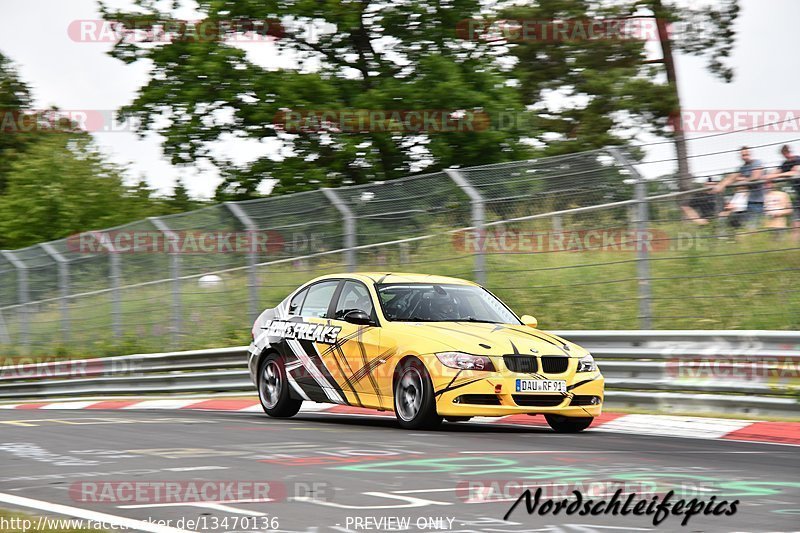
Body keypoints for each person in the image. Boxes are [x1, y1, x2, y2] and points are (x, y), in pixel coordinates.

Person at [713, 147, 764, 225]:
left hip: (757, 201)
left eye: (746, 154)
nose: (745, 157)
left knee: (755, 227)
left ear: (750, 154)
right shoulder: (742, 168)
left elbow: (756, 177)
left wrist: (741, 179)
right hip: (746, 202)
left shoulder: (757, 163)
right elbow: (732, 178)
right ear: (740, 156)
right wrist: (721, 185)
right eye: (743, 155)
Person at [766, 145, 800, 239]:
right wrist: (772, 176)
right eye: (785, 154)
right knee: (796, 222)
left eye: (787, 153)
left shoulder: (798, 159)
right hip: (798, 196)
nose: (786, 155)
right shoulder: (785, 164)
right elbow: (772, 175)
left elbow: (795, 172)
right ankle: (794, 245)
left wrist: (779, 175)